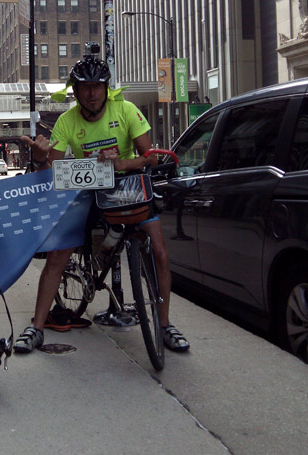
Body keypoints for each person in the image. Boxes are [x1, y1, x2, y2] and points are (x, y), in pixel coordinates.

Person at [15, 56, 190, 354]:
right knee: (58, 256)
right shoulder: (67, 121)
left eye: (97, 86)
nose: (92, 93)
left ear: (106, 88)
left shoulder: (126, 110)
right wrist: (41, 157)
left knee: (159, 251)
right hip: (87, 190)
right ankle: (37, 327)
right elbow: (52, 173)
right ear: (76, 90)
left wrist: (122, 162)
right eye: (85, 87)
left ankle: (164, 325)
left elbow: (150, 157)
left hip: (128, 186)